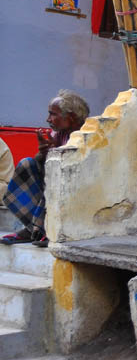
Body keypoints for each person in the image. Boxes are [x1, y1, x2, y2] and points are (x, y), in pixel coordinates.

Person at [2, 90, 89, 247]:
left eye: (53, 114)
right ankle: (32, 228)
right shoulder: (58, 133)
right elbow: (38, 165)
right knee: (27, 164)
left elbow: (76, 170)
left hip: (79, 192)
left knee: (54, 176)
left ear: (71, 117)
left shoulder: (87, 134)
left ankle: (45, 230)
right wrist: (44, 153)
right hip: (54, 185)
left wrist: (55, 153)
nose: (48, 119)